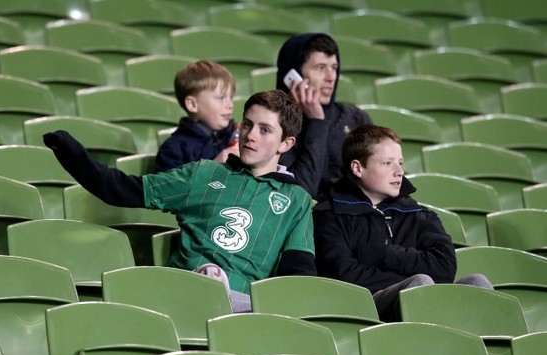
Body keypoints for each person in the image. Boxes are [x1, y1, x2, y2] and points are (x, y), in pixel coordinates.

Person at [43, 90, 317, 312]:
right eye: (247, 124)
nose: (251, 135)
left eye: (265, 130)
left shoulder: (297, 201)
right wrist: (74, 156)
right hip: (180, 293)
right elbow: (121, 189)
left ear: (286, 144)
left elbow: (298, 273)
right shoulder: (205, 173)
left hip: (241, 310)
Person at [312, 125, 492, 322]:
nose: (399, 172)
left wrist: (383, 254)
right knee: (420, 283)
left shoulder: (419, 214)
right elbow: (345, 276)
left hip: (422, 296)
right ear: (357, 168)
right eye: (387, 163)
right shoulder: (329, 214)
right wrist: (410, 278)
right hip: (363, 306)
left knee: (477, 283)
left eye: (400, 162)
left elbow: (445, 269)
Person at [276, 33, 373, 202]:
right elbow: (302, 192)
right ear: (293, 74)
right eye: (320, 67)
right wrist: (317, 123)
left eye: (334, 68)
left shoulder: (356, 118)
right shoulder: (276, 122)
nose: (331, 77)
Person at [155, 60, 239, 173]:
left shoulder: (237, 136)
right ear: (192, 104)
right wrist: (212, 168)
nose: (230, 105)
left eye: (231, 98)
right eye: (221, 98)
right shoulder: (174, 149)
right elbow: (169, 188)